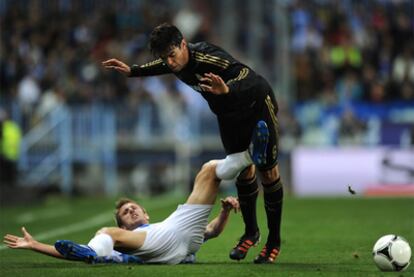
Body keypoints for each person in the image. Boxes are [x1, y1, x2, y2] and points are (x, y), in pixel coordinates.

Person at [102, 23, 284, 263]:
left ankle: (273, 242)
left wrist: (227, 89)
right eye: (164, 58)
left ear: (184, 44)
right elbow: (161, 65)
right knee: (242, 169)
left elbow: (248, 76)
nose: (169, 62)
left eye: (171, 55)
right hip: (228, 114)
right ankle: (251, 232)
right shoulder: (174, 61)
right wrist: (133, 71)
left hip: (256, 104)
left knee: (268, 172)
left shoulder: (208, 57)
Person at [4, 122, 268, 264]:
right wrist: (36, 245)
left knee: (210, 168)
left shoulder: (157, 227)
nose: (130, 210)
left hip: (180, 242)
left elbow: (210, 231)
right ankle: (248, 155)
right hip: (166, 244)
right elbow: (70, 251)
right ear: (126, 226)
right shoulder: (126, 238)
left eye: (133, 207)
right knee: (105, 234)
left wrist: (223, 212)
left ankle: (248, 155)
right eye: (125, 213)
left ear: (146, 212)